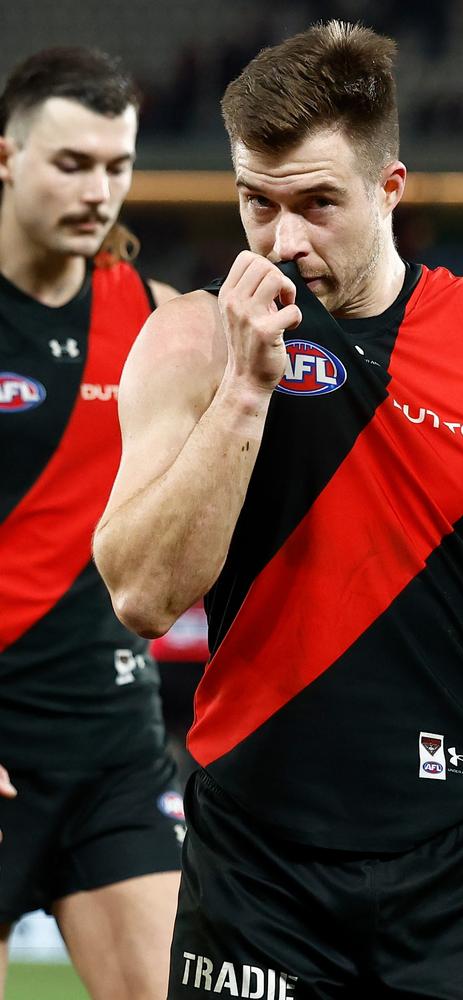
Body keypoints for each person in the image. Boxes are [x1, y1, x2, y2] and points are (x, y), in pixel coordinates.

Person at [94, 21, 463, 1000]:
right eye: (254, 204)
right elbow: (141, 594)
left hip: (456, 866)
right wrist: (242, 395)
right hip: (255, 869)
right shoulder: (188, 344)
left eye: (317, 203)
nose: (281, 240)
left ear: (389, 188)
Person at [0, 47, 185, 1000]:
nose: (99, 190)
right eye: (72, 164)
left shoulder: (153, 320)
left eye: (117, 166)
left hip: (112, 748)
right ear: (7, 157)